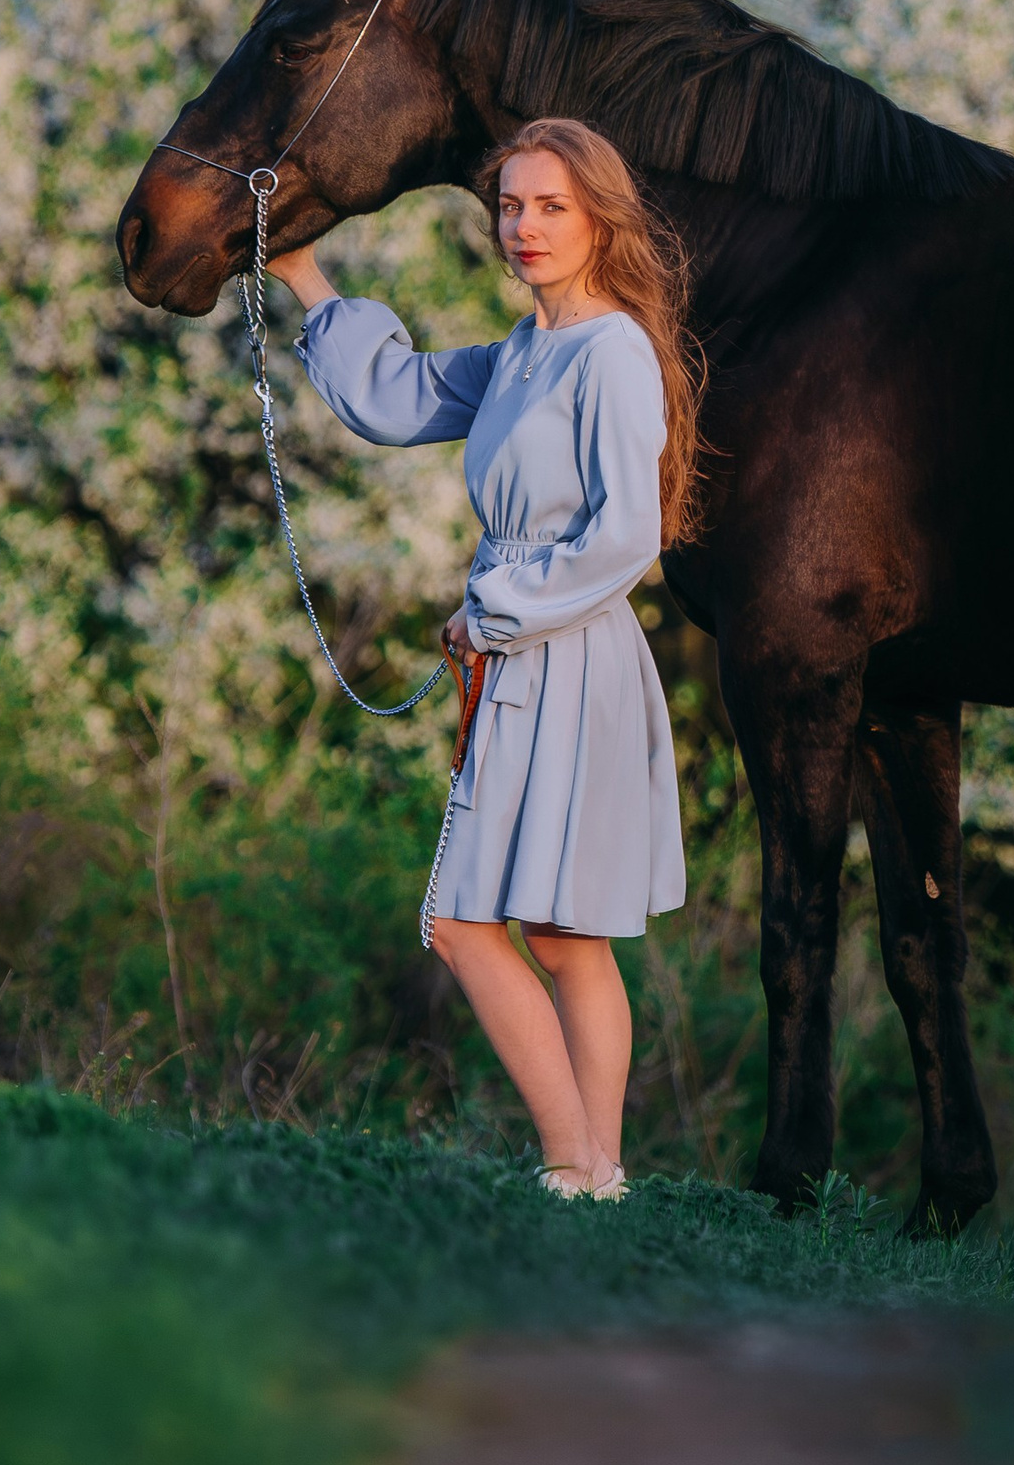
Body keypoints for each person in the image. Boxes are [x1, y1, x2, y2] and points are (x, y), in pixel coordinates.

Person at [268, 118, 699, 1199]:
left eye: (551, 206)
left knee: (466, 925)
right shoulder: (520, 353)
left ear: (599, 216)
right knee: (558, 936)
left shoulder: (612, 351)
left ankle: (570, 1165)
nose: (526, 226)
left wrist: (496, 610)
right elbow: (400, 397)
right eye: (511, 205)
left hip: (570, 653)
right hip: (522, 652)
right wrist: (305, 278)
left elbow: (628, 532)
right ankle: (599, 1182)